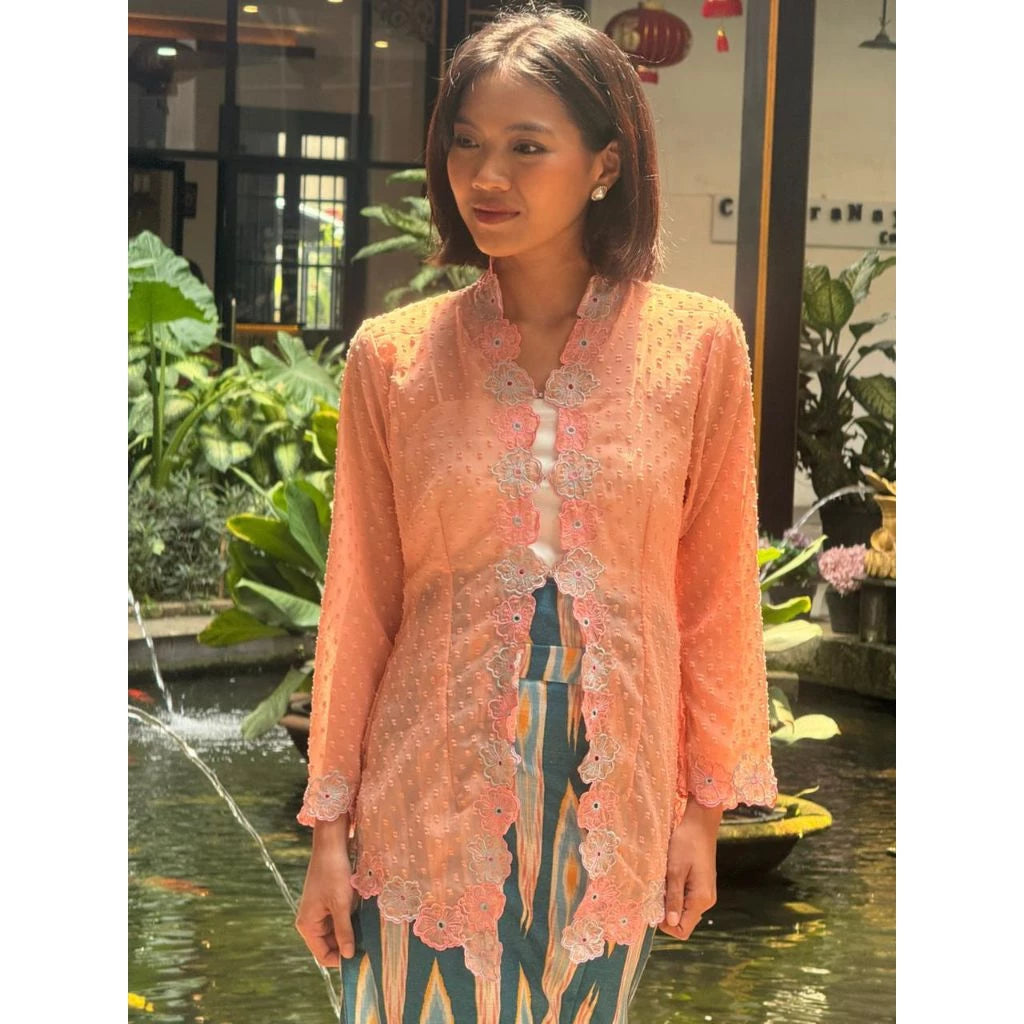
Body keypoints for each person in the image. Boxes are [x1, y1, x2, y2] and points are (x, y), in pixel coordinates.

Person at [295, 5, 778, 1022]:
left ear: (604, 163)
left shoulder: (697, 348)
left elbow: (714, 593)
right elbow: (359, 597)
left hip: (615, 778)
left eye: (526, 147)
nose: (486, 177)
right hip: (428, 770)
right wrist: (328, 833)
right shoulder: (394, 356)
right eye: (466, 143)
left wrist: (701, 813)